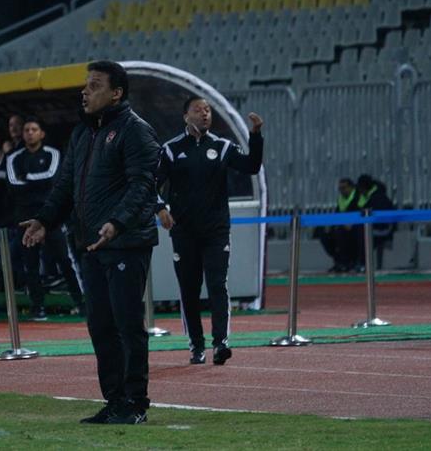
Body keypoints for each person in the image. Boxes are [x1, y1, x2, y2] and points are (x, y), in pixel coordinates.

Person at [22, 60, 160, 425]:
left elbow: (144, 184)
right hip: (90, 244)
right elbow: (65, 186)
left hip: (126, 242)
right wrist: (44, 219)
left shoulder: (135, 130)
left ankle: (135, 403)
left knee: (127, 325)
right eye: (86, 85)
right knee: (100, 326)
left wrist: (117, 223)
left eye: (95, 85)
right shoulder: (83, 133)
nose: (85, 92)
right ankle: (114, 401)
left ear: (116, 93)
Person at [156, 97, 263, 366]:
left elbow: (251, 166)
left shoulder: (222, 146)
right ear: (185, 116)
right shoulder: (171, 150)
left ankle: (220, 344)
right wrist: (160, 208)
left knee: (217, 284)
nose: (205, 114)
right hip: (184, 232)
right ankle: (196, 345)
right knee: (189, 289)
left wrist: (255, 136)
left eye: (208, 110)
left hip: (216, 230)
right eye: (198, 110)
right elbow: (151, 185)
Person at [6, 117, 84, 320]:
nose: (30, 133)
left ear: (42, 133)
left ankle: (81, 302)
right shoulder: (13, 157)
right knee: (30, 264)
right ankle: (38, 306)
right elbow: (13, 184)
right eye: (26, 129)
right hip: (25, 216)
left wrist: (27, 178)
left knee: (65, 261)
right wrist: (35, 183)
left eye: (34, 129)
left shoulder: (53, 153)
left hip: (51, 215)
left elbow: (52, 178)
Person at [317, 177, 360, 272]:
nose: (341, 191)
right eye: (340, 189)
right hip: (342, 226)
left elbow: (360, 214)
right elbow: (337, 214)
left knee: (341, 233)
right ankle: (338, 261)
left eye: (344, 188)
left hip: (356, 227)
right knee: (324, 233)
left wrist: (349, 224)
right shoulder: (341, 199)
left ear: (351, 187)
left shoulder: (358, 197)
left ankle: (348, 262)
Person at [356, 174, 396, 270]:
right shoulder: (365, 197)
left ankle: (363, 264)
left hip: (382, 228)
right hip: (372, 227)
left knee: (362, 234)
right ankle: (351, 262)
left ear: (363, 187)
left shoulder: (378, 197)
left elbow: (381, 219)